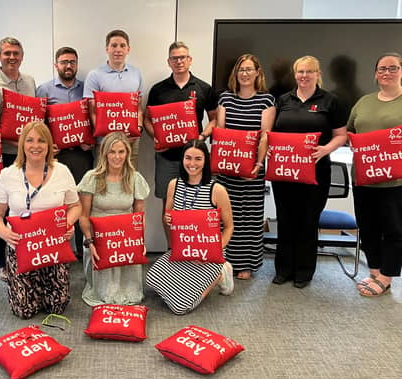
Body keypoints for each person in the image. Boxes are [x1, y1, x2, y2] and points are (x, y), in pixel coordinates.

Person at [0, 121, 81, 319]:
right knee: (24, 311)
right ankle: (21, 288)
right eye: (29, 140)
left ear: (49, 145)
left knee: (57, 306)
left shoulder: (62, 171)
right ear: (22, 145)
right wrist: (4, 233)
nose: (35, 146)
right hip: (21, 249)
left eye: (41, 141)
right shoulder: (8, 174)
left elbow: (76, 206)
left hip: (53, 250)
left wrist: (67, 223)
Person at [272, 55, 347, 288]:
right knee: (284, 219)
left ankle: (303, 271)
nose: (304, 76)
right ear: (295, 74)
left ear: (317, 73)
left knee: (307, 220)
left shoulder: (330, 101)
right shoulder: (283, 100)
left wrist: (325, 149)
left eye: (309, 71)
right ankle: (283, 270)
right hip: (285, 172)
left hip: (317, 171)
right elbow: (271, 133)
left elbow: (341, 135)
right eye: (300, 72)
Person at [146, 139, 234, 315]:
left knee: (180, 307)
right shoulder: (174, 185)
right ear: (182, 159)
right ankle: (191, 280)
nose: (192, 164)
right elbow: (167, 217)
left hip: (208, 254)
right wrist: (168, 219)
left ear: (206, 161)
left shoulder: (217, 190)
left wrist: (213, 253)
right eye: (188, 158)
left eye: (198, 159)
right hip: (183, 251)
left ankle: (221, 273)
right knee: (151, 279)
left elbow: (229, 227)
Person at [144, 41, 218, 245]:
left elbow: (215, 119)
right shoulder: (158, 90)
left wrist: (202, 137)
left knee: (198, 205)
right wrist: (156, 137)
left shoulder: (204, 88)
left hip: (195, 159)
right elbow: (146, 119)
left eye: (183, 57)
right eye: (175, 58)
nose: (179, 61)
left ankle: (191, 248)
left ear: (190, 60)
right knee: (169, 206)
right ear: (169, 62)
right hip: (167, 158)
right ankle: (172, 249)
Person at [215, 54, 275, 280]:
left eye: (249, 69)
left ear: (258, 72)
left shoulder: (266, 100)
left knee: (249, 216)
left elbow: (265, 136)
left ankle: (246, 265)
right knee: (226, 216)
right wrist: (223, 163)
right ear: (235, 74)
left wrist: (258, 165)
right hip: (227, 168)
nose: (245, 73)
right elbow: (221, 132)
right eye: (241, 69)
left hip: (253, 170)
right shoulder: (225, 98)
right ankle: (224, 261)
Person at [348, 52, 402, 297]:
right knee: (367, 226)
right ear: (375, 73)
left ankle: (387, 276)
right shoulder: (364, 102)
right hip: (363, 178)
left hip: (395, 181)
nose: (386, 73)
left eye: (392, 68)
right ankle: (374, 270)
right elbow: (350, 131)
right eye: (382, 69)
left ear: (401, 71)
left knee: (394, 229)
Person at [78, 131, 150, 305]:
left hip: (125, 239)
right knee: (106, 296)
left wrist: (139, 241)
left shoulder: (135, 178)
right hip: (98, 239)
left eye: (121, 152)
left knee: (132, 296)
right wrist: (90, 242)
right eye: (112, 152)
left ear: (127, 153)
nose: (117, 157)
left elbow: (139, 216)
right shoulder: (91, 178)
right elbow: (83, 216)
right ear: (104, 153)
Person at [0, 37, 37, 280]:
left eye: (16, 53)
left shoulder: (29, 81)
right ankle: (0, 262)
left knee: (27, 206)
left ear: (22, 56)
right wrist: (18, 142)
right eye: (7, 53)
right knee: (1, 209)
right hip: (6, 156)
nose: (12, 57)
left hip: (31, 157)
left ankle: (25, 253)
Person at [37, 46, 93, 259]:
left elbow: (93, 117)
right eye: (64, 62)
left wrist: (91, 142)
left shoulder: (86, 88)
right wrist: (47, 143)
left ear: (76, 65)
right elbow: (38, 123)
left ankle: (81, 250)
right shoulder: (44, 90)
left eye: (72, 62)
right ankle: (57, 250)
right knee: (55, 202)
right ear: (56, 65)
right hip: (55, 156)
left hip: (81, 154)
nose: (68, 66)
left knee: (81, 201)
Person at [83, 29, 144, 167]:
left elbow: (138, 108)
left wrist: (138, 129)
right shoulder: (94, 75)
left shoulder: (136, 73)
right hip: (104, 141)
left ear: (128, 49)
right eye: (114, 45)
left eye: (122, 46)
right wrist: (108, 136)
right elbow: (92, 111)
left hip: (131, 140)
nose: (118, 50)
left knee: (130, 181)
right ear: (107, 49)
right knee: (103, 182)